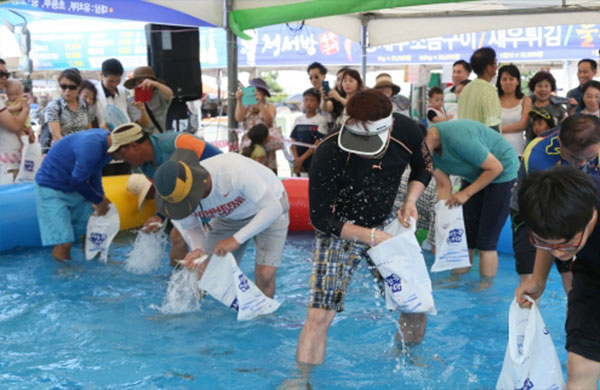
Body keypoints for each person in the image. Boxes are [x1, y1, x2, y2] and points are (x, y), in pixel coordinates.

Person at [296, 89, 432, 372]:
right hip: (339, 231)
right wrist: (369, 236)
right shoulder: (330, 150)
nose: (358, 148)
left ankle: (405, 359)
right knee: (319, 315)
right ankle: (303, 379)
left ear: (389, 125)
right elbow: (321, 219)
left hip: (386, 224)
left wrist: (410, 201)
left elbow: (424, 168)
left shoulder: (405, 130)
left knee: (415, 307)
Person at [154, 150, 289, 298]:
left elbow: (273, 208)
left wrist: (236, 239)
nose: (186, 207)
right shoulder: (174, 200)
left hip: (270, 205)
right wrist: (199, 249)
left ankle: (264, 317)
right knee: (203, 275)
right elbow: (191, 227)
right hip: (229, 218)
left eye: (189, 202)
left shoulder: (233, 170)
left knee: (265, 274)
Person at [514, 166, 600, 390]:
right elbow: (551, 235)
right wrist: (538, 278)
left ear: (591, 217)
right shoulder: (557, 210)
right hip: (592, 275)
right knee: (579, 364)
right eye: (544, 242)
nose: (558, 253)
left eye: (566, 243)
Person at [106, 122, 221, 265]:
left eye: (120, 153)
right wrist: (159, 217)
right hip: (192, 201)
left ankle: (206, 282)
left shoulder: (180, 142)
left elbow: (221, 163)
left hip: (218, 196)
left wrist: (209, 216)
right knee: (177, 238)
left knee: (206, 242)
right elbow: (167, 195)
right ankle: (176, 282)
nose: (119, 159)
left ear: (134, 145)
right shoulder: (145, 166)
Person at [510, 114, 600, 292]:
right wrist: (538, 279)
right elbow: (548, 213)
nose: (581, 163)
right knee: (528, 268)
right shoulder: (538, 155)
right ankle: (527, 310)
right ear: (560, 141)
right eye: (574, 157)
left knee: (572, 276)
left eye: (589, 158)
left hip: (581, 203)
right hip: (533, 207)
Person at [425, 119, 518, 278]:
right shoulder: (427, 151)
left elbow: (495, 168)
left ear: (427, 138)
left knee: (486, 242)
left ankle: (485, 289)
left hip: (502, 174)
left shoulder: (459, 138)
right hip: (475, 175)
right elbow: (443, 184)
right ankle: (456, 279)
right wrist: (445, 219)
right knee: (463, 235)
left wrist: (466, 193)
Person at [34, 129, 113, 261]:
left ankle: (95, 261)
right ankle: (62, 275)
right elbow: (77, 181)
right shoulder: (91, 146)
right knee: (64, 243)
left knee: (93, 234)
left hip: (74, 188)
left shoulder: (109, 147)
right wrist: (98, 200)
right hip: (51, 187)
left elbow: (94, 170)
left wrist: (100, 196)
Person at [235, 77, 281, 173]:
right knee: (248, 173)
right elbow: (238, 118)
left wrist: (259, 103)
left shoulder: (270, 106)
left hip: (266, 145)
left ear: (264, 92)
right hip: (249, 145)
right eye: (253, 89)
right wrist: (239, 101)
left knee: (267, 174)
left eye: (259, 90)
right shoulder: (246, 106)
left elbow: (269, 121)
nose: (256, 92)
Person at [94, 58, 149, 129]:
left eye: (118, 80)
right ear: (101, 75)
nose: (114, 84)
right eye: (111, 81)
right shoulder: (93, 95)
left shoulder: (124, 92)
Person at [457, 47, 502, 132]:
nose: (496, 67)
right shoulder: (489, 91)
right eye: (495, 63)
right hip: (483, 143)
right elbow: (493, 127)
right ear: (488, 68)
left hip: (465, 142)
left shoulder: (466, 89)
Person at [44, 68, 94, 144]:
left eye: (72, 87)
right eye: (63, 86)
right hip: (62, 150)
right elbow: (56, 135)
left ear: (79, 87)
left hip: (83, 148)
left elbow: (89, 130)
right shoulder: (54, 106)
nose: (67, 90)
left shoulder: (84, 104)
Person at [124, 66, 173, 134]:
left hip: (160, 137)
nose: (144, 84)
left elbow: (170, 95)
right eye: (140, 82)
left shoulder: (158, 95)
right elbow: (145, 124)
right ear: (135, 84)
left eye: (147, 81)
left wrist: (155, 84)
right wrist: (142, 109)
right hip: (143, 141)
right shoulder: (131, 101)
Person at [290, 88, 327, 177]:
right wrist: (296, 159)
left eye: (312, 100)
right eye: (306, 100)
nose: (308, 103)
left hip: (312, 160)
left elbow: (317, 143)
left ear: (318, 103)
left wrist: (301, 159)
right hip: (297, 160)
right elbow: (293, 141)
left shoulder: (321, 120)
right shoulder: (298, 120)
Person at [497, 64, 532, 156]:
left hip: (518, 150)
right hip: (496, 149)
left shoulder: (526, 100)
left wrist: (497, 129)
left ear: (518, 82)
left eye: (511, 79)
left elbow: (523, 124)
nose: (508, 82)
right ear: (499, 82)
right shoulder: (494, 100)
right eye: (504, 79)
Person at [526, 71, 566, 143]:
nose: (543, 89)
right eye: (539, 86)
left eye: (546, 86)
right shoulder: (528, 107)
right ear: (534, 88)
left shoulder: (558, 107)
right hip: (533, 147)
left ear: (551, 88)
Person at [0, 89, 31, 183]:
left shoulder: (20, 101)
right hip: (7, 163)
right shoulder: (5, 102)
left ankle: (23, 147)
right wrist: (25, 110)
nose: (4, 78)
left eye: (6, 75)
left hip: (12, 161)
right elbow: (15, 126)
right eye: (10, 94)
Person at [5, 79, 34, 143]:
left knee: (22, 134)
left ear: (22, 92)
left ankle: (23, 146)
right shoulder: (7, 102)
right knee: (17, 134)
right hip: (14, 122)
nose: (14, 97)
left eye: (17, 94)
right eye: (10, 95)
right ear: (6, 94)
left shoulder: (22, 101)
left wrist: (5, 109)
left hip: (24, 124)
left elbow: (16, 107)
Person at [307, 62, 334, 131]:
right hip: (312, 127)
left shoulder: (331, 92)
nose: (313, 80)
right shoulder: (310, 93)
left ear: (324, 76)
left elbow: (328, 107)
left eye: (316, 77)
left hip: (327, 128)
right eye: (311, 78)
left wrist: (324, 99)